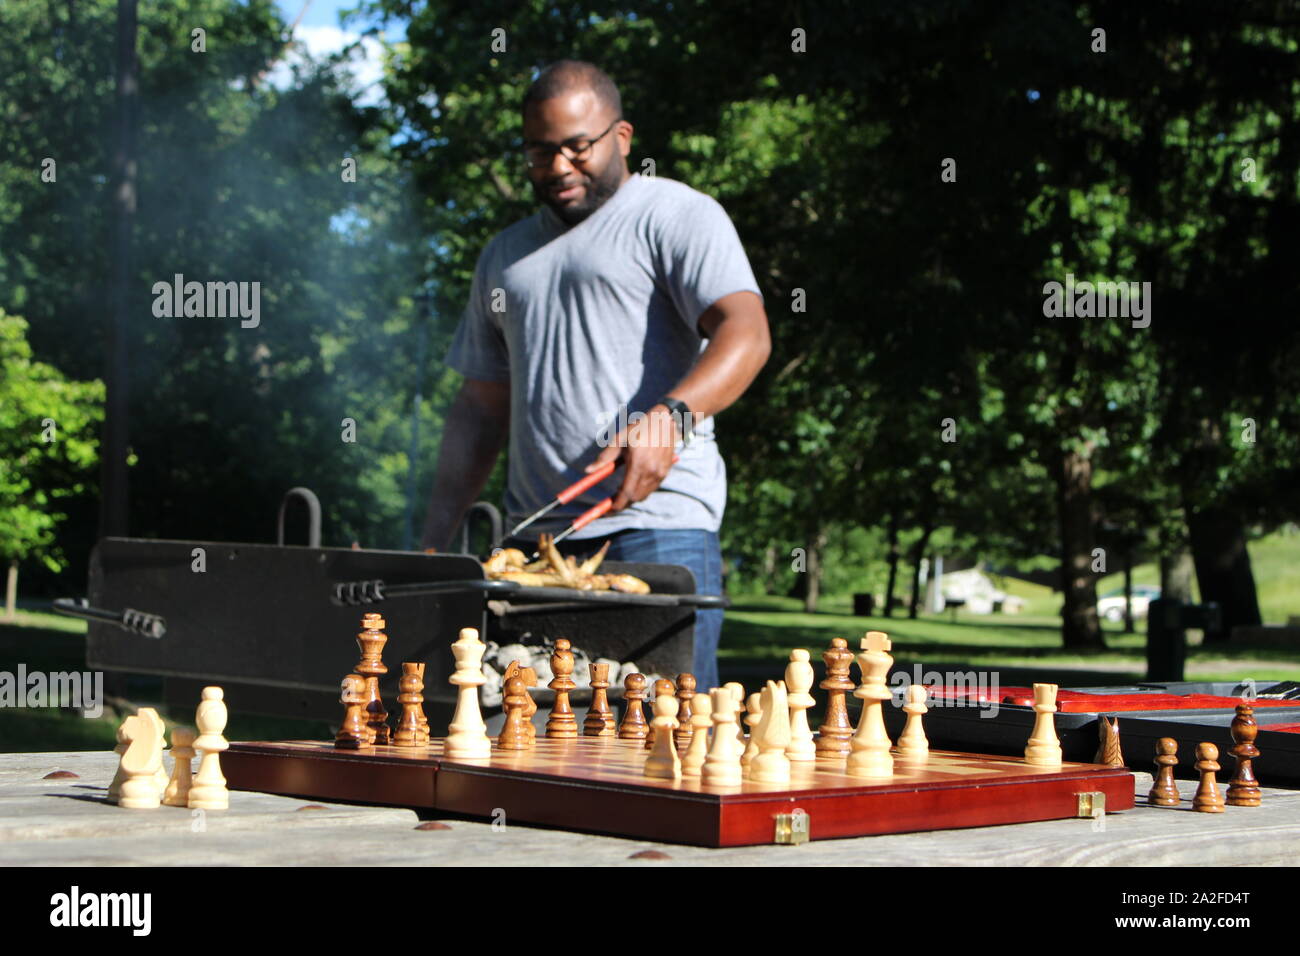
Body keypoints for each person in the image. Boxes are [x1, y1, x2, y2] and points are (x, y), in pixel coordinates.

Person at [420, 60, 770, 691]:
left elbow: (746, 331)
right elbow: (479, 408)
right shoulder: (504, 257)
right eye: (539, 151)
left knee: (670, 747)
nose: (558, 168)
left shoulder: (674, 215)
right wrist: (432, 543)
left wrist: (671, 416)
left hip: (657, 529)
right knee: (539, 744)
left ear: (622, 136)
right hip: (535, 547)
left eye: (577, 148)